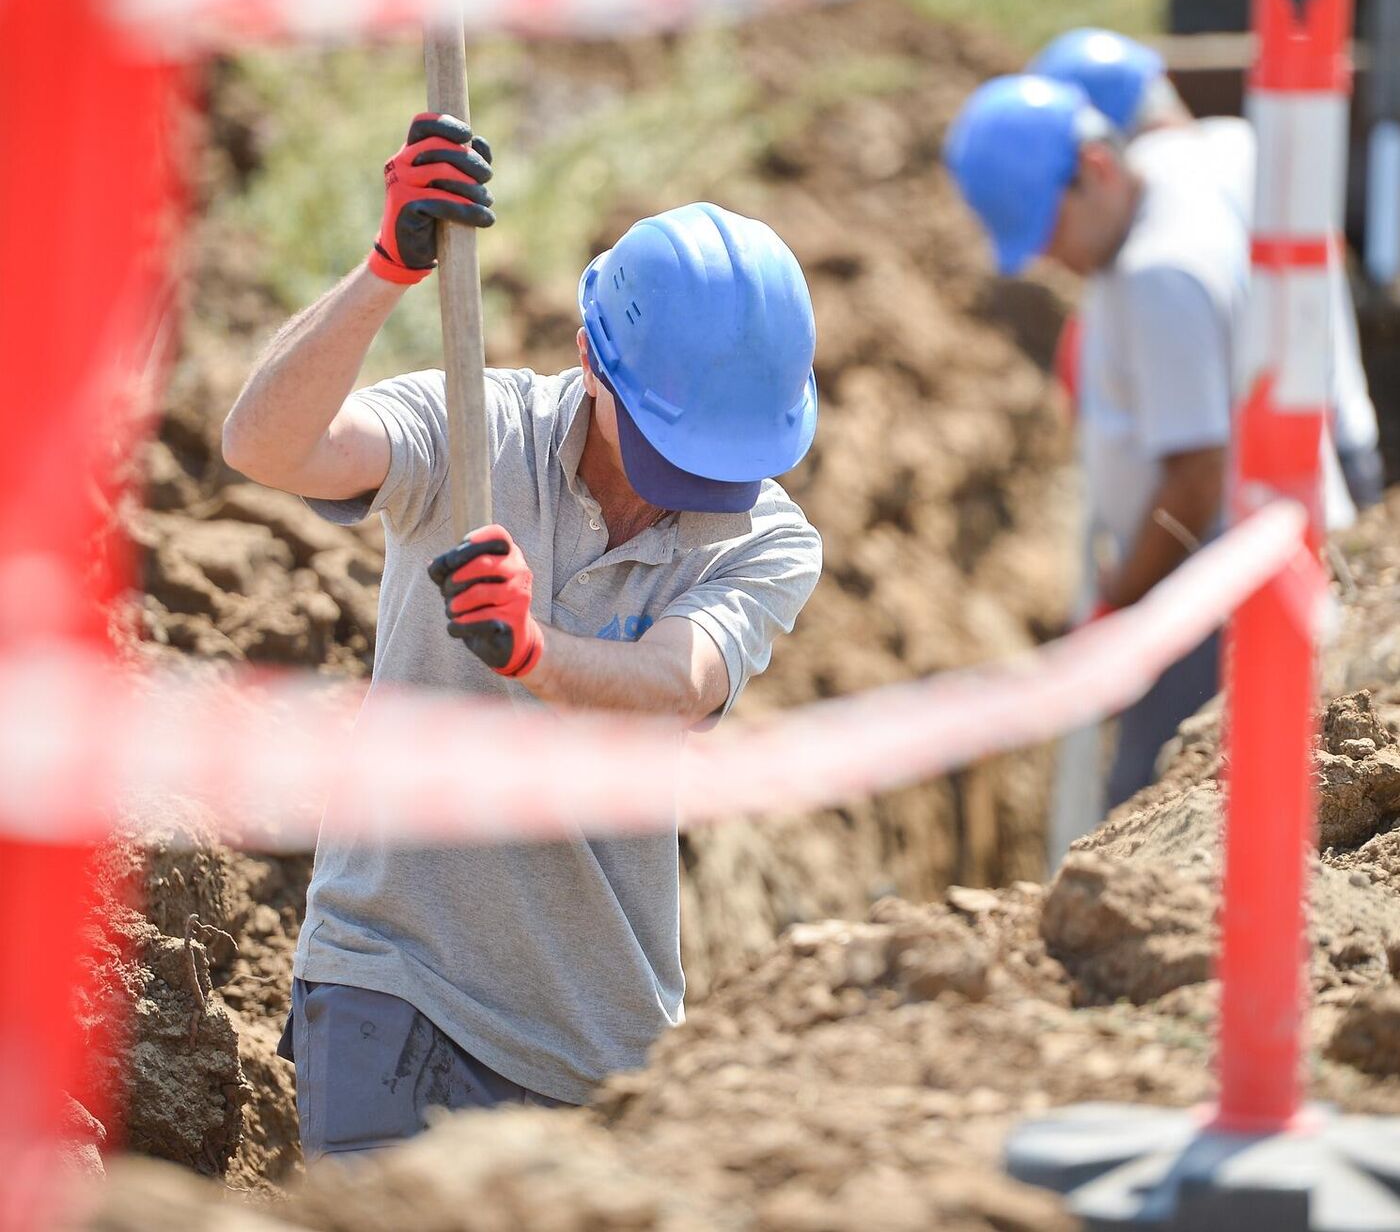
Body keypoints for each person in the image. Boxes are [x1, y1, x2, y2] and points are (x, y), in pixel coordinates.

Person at [221, 113, 823, 1158]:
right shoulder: (471, 427)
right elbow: (269, 447)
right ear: (592, 361)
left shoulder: (767, 537)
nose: (697, 489)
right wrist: (381, 273)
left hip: (595, 1037)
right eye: (668, 448)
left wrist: (531, 649)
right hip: (389, 974)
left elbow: (676, 680)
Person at [944, 75, 1355, 812]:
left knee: (1147, 791)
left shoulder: (1157, 273)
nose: (1049, 259)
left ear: (1097, 170)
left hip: (1206, 585)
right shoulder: (1170, 176)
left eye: (1049, 231)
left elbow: (1196, 477)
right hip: (1236, 556)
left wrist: (1119, 606)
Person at [1029, 27, 1384, 510]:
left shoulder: (1164, 243)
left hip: (1295, 473)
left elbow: (1199, 461)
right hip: (1341, 439)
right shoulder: (1242, 146)